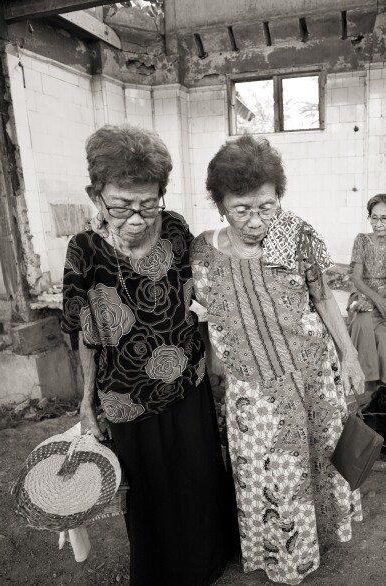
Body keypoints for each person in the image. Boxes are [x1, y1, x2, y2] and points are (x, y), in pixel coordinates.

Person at [60, 125, 238, 586]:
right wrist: (85, 402)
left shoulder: (176, 228)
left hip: (189, 385)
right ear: (95, 195)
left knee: (199, 479)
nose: (137, 218)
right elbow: (84, 333)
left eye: (148, 202)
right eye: (121, 205)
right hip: (127, 398)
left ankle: (210, 561)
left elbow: (206, 296)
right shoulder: (84, 251)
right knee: (151, 494)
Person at [191, 135, 364, 585]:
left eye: (266, 206)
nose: (255, 220)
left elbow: (325, 301)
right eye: (241, 209)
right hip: (251, 388)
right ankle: (279, 556)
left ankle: (310, 547)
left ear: (279, 197)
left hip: (308, 376)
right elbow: (211, 317)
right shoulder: (202, 251)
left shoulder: (296, 234)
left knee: (314, 464)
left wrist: (350, 357)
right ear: (220, 204)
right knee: (263, 479)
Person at [347, 194, 386, 415]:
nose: (378, 223)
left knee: (371, 321)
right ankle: (385, 385)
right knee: (368, 323)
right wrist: (371, 299)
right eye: (374, 218)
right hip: (363, 291)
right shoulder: (362, 240)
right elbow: (356, 278)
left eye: (385, 218)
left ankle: (368, 385)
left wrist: (380, 297)